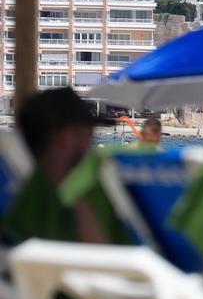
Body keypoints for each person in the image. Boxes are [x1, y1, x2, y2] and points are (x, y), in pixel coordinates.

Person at [2, 88, 122, 244]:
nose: (90, 141)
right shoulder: (92, 186)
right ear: (65, 137)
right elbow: (98, 253)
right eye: (89, 132)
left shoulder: (21, 197)